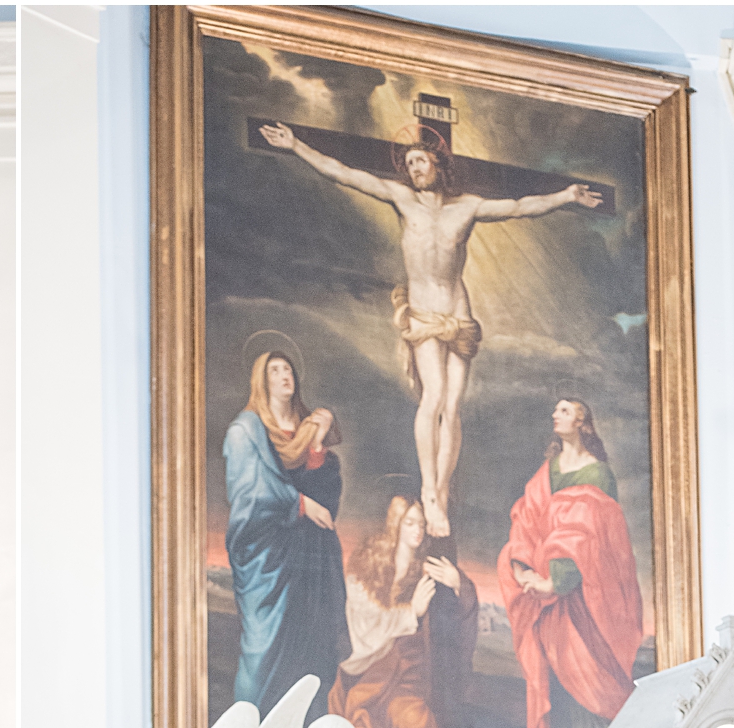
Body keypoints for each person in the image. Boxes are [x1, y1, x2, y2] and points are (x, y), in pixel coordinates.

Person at [257, 121, 604, 537]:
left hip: (458, 313)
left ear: (438, 165)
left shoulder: (468, 207)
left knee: (453, 405)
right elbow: (345, 173)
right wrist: (296, 145)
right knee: (434, 396)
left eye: (421, 160)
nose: (415, 168)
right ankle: (430, 490)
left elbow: (518, 205)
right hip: (423, 314)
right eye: (409, 163)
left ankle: (439, 489)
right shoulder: (402, 198)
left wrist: (566, 196)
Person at [497, 398, 645, 728]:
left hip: (586, 595)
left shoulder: (598, 474)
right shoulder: (546, 474)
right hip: (549, 601)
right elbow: (527, 521)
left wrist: (559, 580)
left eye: (564, 410)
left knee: (590, 668)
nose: (555, 415)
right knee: (559, 671)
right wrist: (523, 567)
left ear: (582, 421)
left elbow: (592, 534)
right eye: (556, 411)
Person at [223, 349, 348, 720]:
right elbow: (251, 496)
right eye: (274, 370)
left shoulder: (310, 432)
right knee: (265, 651)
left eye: (288, 369)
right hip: (270, 558)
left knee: (314, 649)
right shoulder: (246, 432)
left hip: (312, 561)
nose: (283, 375)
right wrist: (300, 505)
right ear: (261, 380)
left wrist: (316, 447)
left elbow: (327, 502)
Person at [327, 494, 476, 728]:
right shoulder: (367, 567)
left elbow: (453, 620)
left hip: (411, 674)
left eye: (421, 524)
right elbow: (364, 624)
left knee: (417, 726)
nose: (417, 530)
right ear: (396, 524)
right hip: (373, 670)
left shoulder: (427, 570)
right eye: (409, 523)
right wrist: (411, 612)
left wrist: (459, 585)